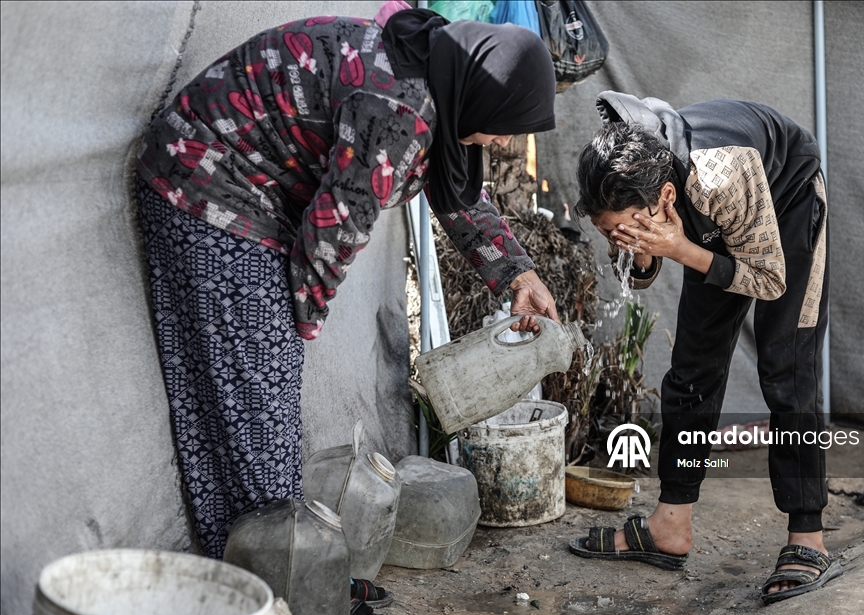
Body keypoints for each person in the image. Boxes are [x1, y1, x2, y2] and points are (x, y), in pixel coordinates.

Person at [135, 0, 560, 570]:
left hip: (249, 195)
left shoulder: (441, 73)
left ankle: (262, 568)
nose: (505, 144)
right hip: (208, 181)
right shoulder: (399, 109)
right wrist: (295, 330)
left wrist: (517, 272)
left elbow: (453, 189)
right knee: (260, 400)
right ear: (483, 97)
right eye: (507, 127)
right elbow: (334, 231)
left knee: (251, 396)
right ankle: (282, 574)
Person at [567, 92, 838, 605]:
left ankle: (808, 536)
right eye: (609, 231)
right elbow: (639, 271)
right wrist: (645, 252)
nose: (617, 237)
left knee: (786, 367)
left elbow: (770, 280)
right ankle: (670, 525)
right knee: (693, 367)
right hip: (712, 218)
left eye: (626, 228)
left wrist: (681, 248)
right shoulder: (627, 185)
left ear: (665, 197)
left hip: (787, 198)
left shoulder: (719, 177)